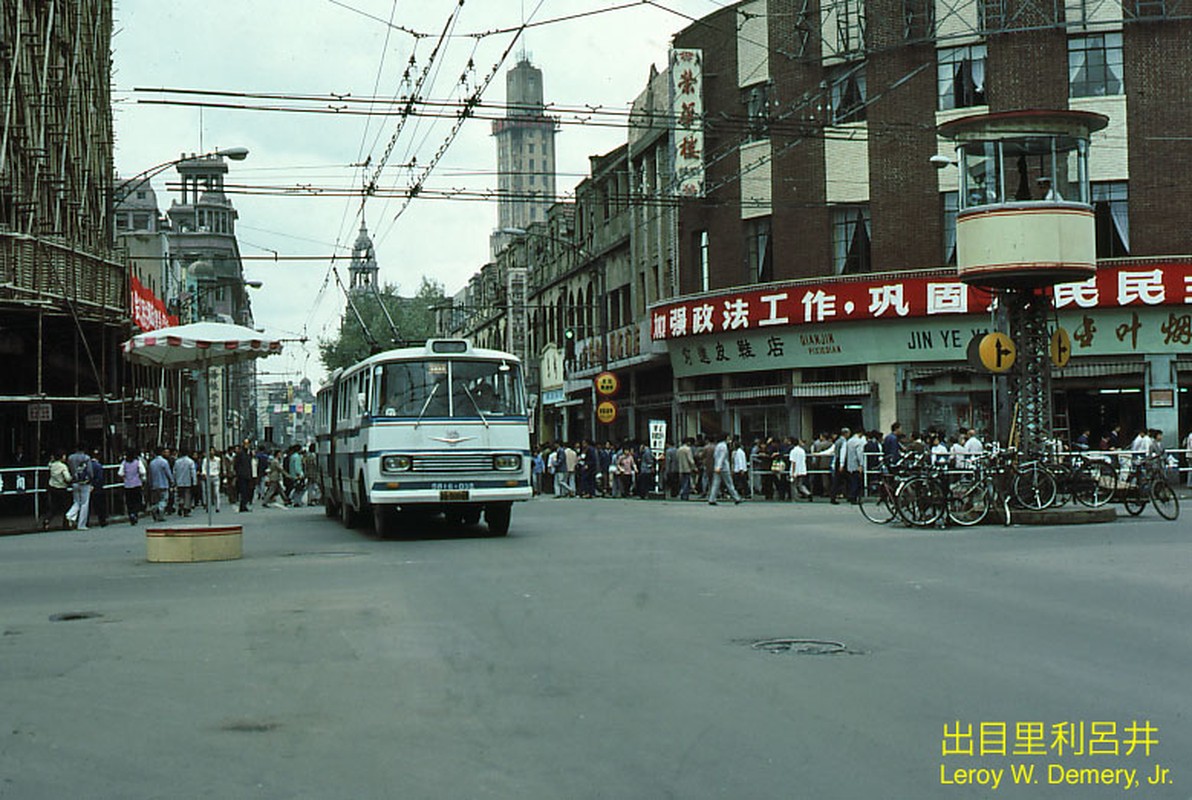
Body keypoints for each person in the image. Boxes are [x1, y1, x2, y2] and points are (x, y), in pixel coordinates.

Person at [707, 433, 742, 506]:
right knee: (729, 483)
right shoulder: (723, 446)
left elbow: (716, 456)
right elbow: (722, 457)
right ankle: (736, 498)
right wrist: (719, 466)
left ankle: (712, 499)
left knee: (715, 484)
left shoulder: (718, 445)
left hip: (717, 467)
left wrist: (717, 466)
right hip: (724, 468)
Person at [41, 451, 72, 530]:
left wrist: (51, 459)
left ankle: (47, 520)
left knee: (54, 507)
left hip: (53, 487)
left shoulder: (52, 465)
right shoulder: (63, 466)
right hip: (62, 488)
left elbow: (49, 464)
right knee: (66, 506)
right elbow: (67, 478)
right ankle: (66, 524)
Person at [65, 443, 92, 530]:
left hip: (74, 481)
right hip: (84, 482)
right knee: (84, 503)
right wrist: (91, 479)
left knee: (76, 501)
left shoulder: (70, 458)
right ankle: (81, 524)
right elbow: (90, 471)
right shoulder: (86, 458)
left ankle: (70, 515)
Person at [147, 446, 174, 522]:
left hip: (154, 485)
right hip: (163, 484)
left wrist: (150, 483)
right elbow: (168, 473)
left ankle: (154, 510)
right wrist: (172, 481)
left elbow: (150, 475)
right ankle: (160, 511)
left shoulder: (152, 463)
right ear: (162, 453)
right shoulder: (164, 462)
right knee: (164, 499)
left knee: (155, 500)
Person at [121, 450, 146, 524]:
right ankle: (135, 513)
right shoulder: (137, 462)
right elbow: (143, 471)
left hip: (127, 485)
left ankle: (130, 513)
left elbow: (120, 472)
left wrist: (125, 477)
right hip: (137, 484)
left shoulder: (124, 463)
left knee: (129, 501)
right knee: (137, 500)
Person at [174, 448, 197, 517]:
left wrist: (174, 480)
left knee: (180, 495)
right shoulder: (190, 461)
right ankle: (186, 509)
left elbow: (174, 472)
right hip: (188, 481)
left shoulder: (177, 462)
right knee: (187, 496)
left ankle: (181, 505)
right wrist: (194, 482)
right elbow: (193, 472)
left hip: (179, 481)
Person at [200, 447, 222, 512]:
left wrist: (219, 473)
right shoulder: (205, 460)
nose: (211, 452)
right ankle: (207, 506)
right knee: (208, 492)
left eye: (213, 451)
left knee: (216, 492)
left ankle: (217, 507)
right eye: (210, 451)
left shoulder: (218, 459)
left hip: (216, 476)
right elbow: (203, 468)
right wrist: (204, 474)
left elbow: (219, 467)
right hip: (208, 477)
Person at [234, 444, 254, 512]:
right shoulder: (240, 454)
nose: (247, 446)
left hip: (248, 476)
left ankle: (244, 505)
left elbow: (249, 466)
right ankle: (242, 506)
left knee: (247, 491)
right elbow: (236, 465)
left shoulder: (248, 455)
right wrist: (238, 473)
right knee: (243, 491)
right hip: (242, 476)